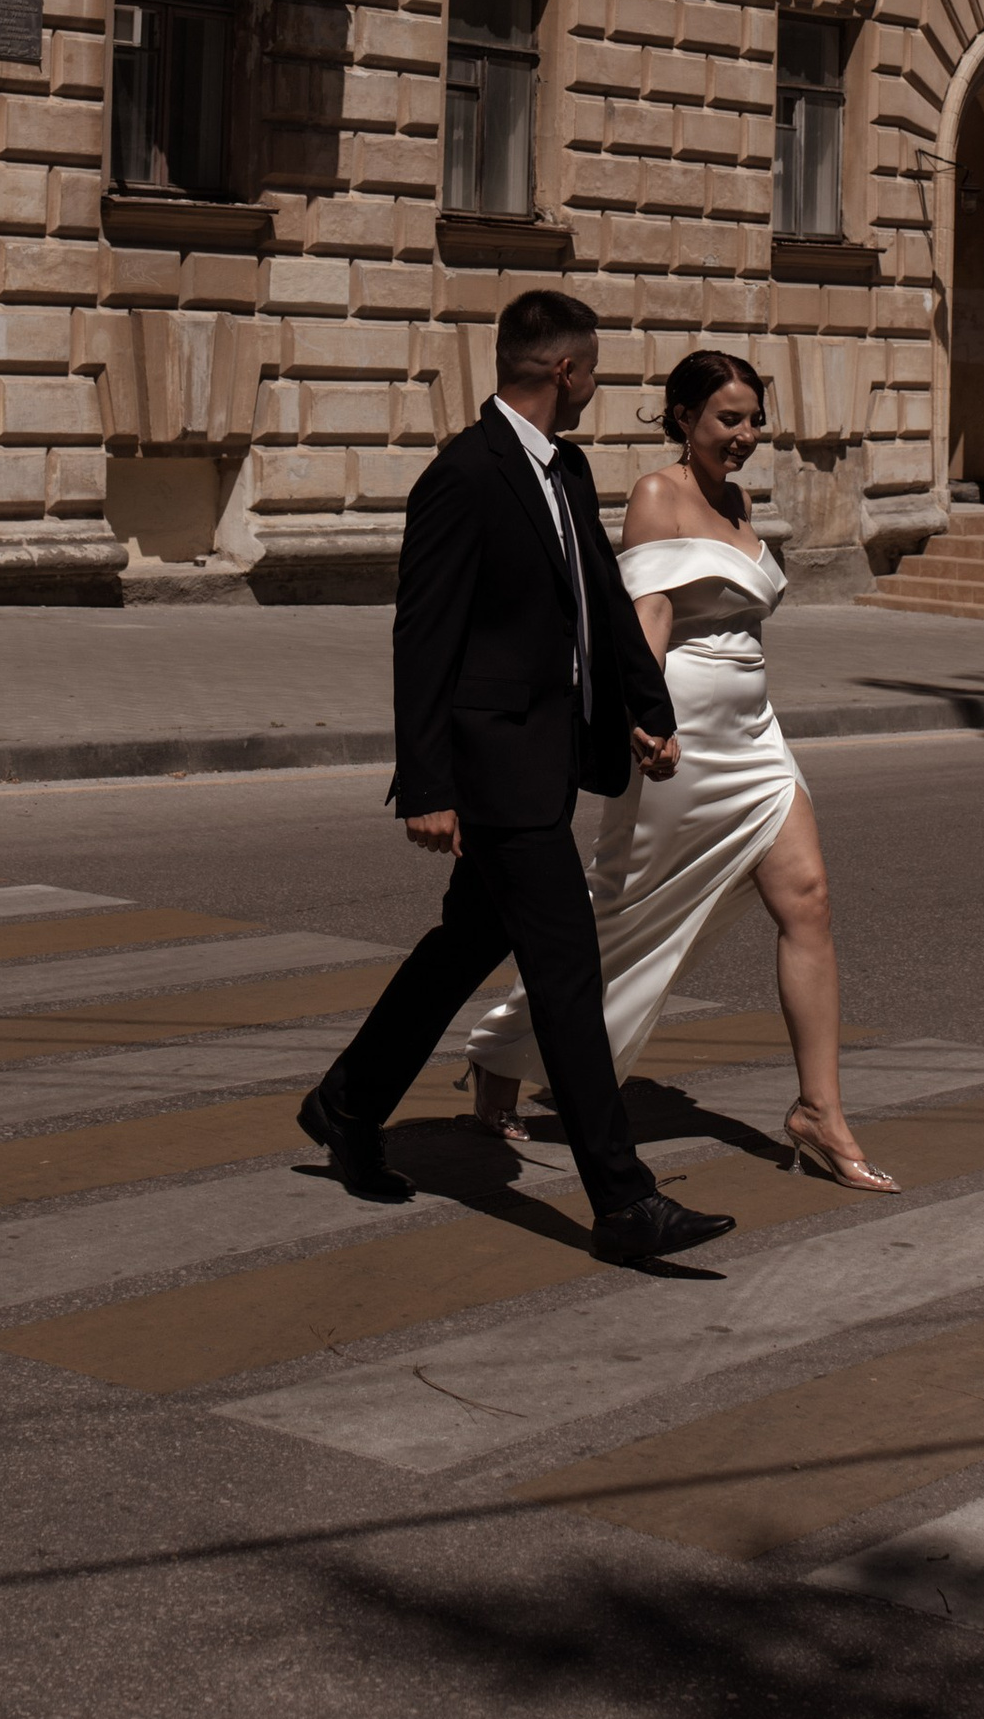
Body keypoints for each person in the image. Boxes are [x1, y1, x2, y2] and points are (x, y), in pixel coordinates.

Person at [299, 290, 738, 1267]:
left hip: (543, 758)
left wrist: (644, 709)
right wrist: (425, 785)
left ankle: (347, 1102)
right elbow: (424, 637)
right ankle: (623, 1202)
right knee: (567, 973)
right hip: (492, 767)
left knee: (463, 947)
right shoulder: (464, 475)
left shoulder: (565, 470)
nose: (597, 386)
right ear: (562, 372)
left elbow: (602, 605)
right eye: (593, 369)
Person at [463, 347, 895, 1192]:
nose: (746, 436)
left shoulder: (738, 501)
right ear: (685, 418)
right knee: (623, 914)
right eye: (729, 419)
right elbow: (648, 613)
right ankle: (505, 1052)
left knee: (808, 898)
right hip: (677, 739)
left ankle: (819, 1110)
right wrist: (640, 717)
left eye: (754, 420)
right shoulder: (660, 494)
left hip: (756, 737)